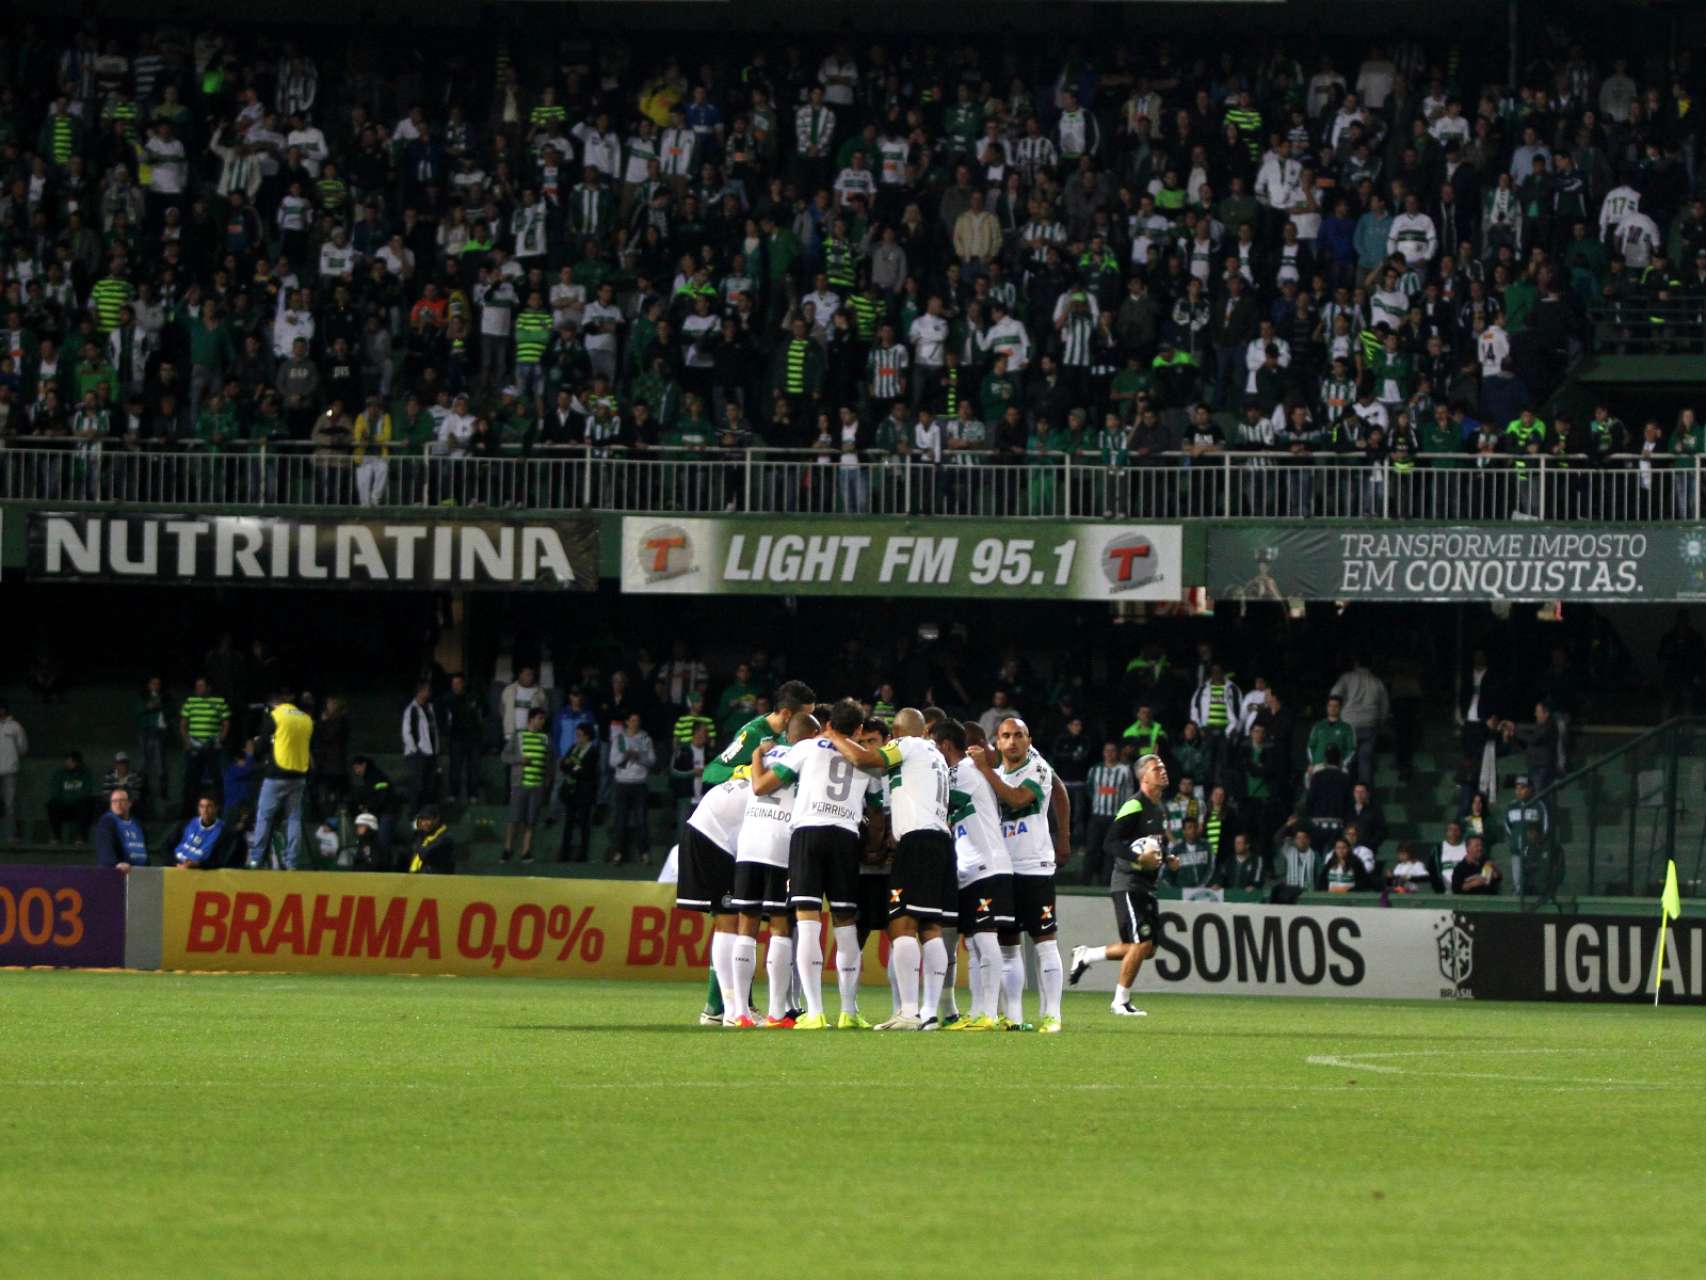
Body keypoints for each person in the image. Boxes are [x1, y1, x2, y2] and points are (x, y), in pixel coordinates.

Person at [827, 707, 953, 1031]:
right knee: (930, 927)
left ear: (896, 734)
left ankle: (908, 1013)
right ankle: (928, 1013)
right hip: (940, 840)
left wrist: (835, 736)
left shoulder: (908, 745)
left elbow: (865, 760)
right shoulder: (936, 754)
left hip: (918, 840)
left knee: (901, 925)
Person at [749, 698, 870, 1030]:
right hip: (845, 836)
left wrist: (757, 757)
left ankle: (814, 1012)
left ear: (829, 724)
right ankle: (849, 1011)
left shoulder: (806, 747)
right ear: (858, 729)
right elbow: (876, 806)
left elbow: (762, 786)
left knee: (808, 923)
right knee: (846, 925)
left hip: (808, 834)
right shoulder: (865, 757)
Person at [1069, 753, 1176, 1016]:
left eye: (1162, 766)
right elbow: (1110, 843)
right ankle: (1120, 1001)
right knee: (1141, 945)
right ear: (1143, 776)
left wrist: (1167, 858)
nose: (1162, 771)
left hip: (1146, 884)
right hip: (1128, 883)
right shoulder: (1134, 805)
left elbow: (1154, 845)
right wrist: (1139, 857)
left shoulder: (1159, 808)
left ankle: (1087, 955)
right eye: (1156, 768)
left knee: (1147, 949)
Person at [732, 711, 819, 1028]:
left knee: (746, 925)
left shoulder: (768, 752)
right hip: (780, 845)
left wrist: (756, 755)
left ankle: (739, 1012)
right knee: (780, 928)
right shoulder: (806, 756)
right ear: (810, 735)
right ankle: (775, 1012)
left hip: (749, 842)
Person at [983, 716, 1071, 1028]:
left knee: (1044, 942)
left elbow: (1018, 798)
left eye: (1018, 735)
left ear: (1028, 740)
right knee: (1008, 946)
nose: (1012, 741)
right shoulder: (994, 772)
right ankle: (1014, 1017)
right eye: (1006, 736)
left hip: (1034, 866)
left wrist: (1063, 837)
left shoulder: (1037, 767)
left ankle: (1052, 1016)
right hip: (1004, 868)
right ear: (998, 741)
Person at [932, 718, 1014, 1031]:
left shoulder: (964, 771)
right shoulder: (961, 772)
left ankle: (990, 1014)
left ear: (945, 745)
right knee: (977, 945)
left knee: (985, 938)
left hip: (987, 865)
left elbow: (942, 804)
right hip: (971, 867)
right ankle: (980, 1010)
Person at [246, 688, 314, 870]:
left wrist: (260, 742)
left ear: (273, 704)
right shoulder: (306, 718)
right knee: (294, 819)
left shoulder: (276, 716)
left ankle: (256, 858)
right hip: (299, 774)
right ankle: (291, 862)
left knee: (264, 817)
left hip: (277, 774)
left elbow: (259, 748)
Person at [1328, 654, 1391, 786]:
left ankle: (1346, 794)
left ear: (1356, 663)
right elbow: (1385, 707)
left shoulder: (1347, 678)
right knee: (1365, 761)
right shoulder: (1377, 681)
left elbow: (1334, 695)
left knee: (1348, 761)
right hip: (1369, 724)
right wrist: (1379, 723)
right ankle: (1364, 797)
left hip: (1349, 724)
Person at [501, 707, 552, 865]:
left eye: (543, 719)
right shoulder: (519, 735)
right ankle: (508, 849)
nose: (542, 722)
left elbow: (548, 761)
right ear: (531, 720)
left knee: (531, 820)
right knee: (514, 818)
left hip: (537, 785)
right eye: (539, 718)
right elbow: (505, 756)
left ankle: (525, 850)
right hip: (519, 784)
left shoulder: (545, 738)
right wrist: (519, 759)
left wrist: (547, 781)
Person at [178, 677, 230, 816]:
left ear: (208, 688)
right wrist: (187, 742)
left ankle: (219, 809)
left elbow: (226, 723)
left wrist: (220, 739)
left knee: (216, 778)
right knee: (191, 778)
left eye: (201, 686)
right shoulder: (190, 701)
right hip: (194, 745)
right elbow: (183, 724)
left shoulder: (219, 702)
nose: (198, 689)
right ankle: (188, 810)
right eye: (197, 686)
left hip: (211, 745)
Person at [609, 712, 657, 865]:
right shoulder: (619, 739)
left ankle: (644, 853)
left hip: (639, 784)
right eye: (633, 720)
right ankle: (617, 853)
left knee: (641, 821)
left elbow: (652, 760)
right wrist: (625, 756)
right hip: (622, 783)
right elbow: (612, 761)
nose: (635, 723)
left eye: (638, 720)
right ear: (627, 722)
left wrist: (639, 757)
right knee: (620, 820)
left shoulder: (645, 739)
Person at [1083, 743, 1133, 886]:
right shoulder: (1095, 769)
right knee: (1092, 848)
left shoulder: (1124, 770)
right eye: (1107, 751)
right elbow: (1090, 789)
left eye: (1113, 751)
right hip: (1097, 816)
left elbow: (1129, 793)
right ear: (1103, 753)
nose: (1110, 753)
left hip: (1115, 817)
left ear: (1117, 753)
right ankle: (1085, 881)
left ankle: (1107, 882)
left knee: (1110, 852)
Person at [557, 723, 600, 862]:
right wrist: (574, 768)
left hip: (585, 792)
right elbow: (563, 765)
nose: (578, 738)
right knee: (568, 823)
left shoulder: (592, 751)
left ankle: (582, 854)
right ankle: (564, 852)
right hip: (571, 791)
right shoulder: (573, 748)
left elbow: (587, 771)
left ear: (587, 736)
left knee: (583, 823)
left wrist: (572, 767)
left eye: (580, 735)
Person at [401, 681, 441, 812]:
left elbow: (433, 732)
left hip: (430, 753)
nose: (429, 693)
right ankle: (414, 814)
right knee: (417, 785)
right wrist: (415, 750)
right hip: (418, 754)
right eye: (427, 690)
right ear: (420, 691)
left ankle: (425, 814)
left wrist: (435, 750)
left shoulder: (430, 708)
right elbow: (406, 732)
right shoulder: (411, 709)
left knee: (429, 786)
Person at [46, 751, 96, 843]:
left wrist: (73, 799)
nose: (68, 763)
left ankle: (81, 837)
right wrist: (66, 800)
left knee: (86, 804)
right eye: (67, 761)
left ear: (77, 762)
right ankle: (56, 837)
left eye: (71, 761)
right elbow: (56, 792)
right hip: (65, 806)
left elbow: (86, 792)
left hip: (78, 806)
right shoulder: (60, 774)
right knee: (52, 804)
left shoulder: (85, 774)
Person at [93, 788, 148, 871]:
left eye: (122, 800)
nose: (118, 804)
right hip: (118, 873)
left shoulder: (137, 823)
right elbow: (105, 849)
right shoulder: (107, 822)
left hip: (140, 872)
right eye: (114, 801)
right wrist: (115, 864)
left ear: (129, 803)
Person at [174, 795, 232, 868]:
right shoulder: (187, 823)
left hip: (201, 874)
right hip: (175, 867)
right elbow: (167, 847)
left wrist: (197, 865)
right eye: (202, 806)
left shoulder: (224, 832)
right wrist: (175, 864)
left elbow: (220, 861)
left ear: (216, 808)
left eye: (209, 806)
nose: (205, 810)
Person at [0, 702, 27, 842]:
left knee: (9, 804)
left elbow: (22, 747)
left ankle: (10, 836)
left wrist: (11, 759)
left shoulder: (15, 727)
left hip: (9, 771)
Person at [408, 806, 456, 874]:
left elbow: (424, 853)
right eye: (422, 820)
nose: (424, 823)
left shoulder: (445, 837)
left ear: (436, 820)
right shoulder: (423, 835)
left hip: (438, 878)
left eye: (428, 819)